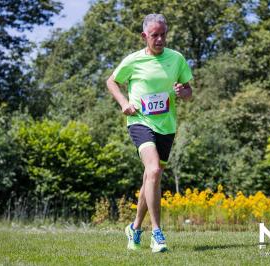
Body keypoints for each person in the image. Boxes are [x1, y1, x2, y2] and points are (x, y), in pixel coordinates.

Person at [107, 14, 193, 252]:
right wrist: (124, 103)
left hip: (167, 126)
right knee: (153, 169)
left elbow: (189, 92)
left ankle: (135, 228)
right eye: (154, 35)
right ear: (144, 36)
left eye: (163, 34)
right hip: (139, 122)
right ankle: (157, 233)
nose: (160, 39)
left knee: (151, 177)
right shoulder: (133, 61)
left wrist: (182, 91)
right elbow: (111, 82)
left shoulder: (176, 59)